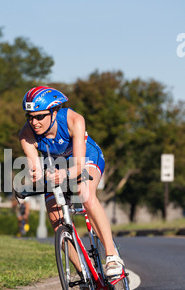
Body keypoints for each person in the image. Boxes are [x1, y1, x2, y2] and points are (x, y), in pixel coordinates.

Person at [19, 86, 124, 277]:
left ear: (54, 112)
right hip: (57, 166)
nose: (34, 122)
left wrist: (66, 175)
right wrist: (34, 176)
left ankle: (112, 256)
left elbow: (79, 166)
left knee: (85, 193)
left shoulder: (74, 120)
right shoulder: (26, 135)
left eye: (40, 116)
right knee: (55, 216)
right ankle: (83, 273)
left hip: (86, 157)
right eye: (30, 117)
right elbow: (35, 168)